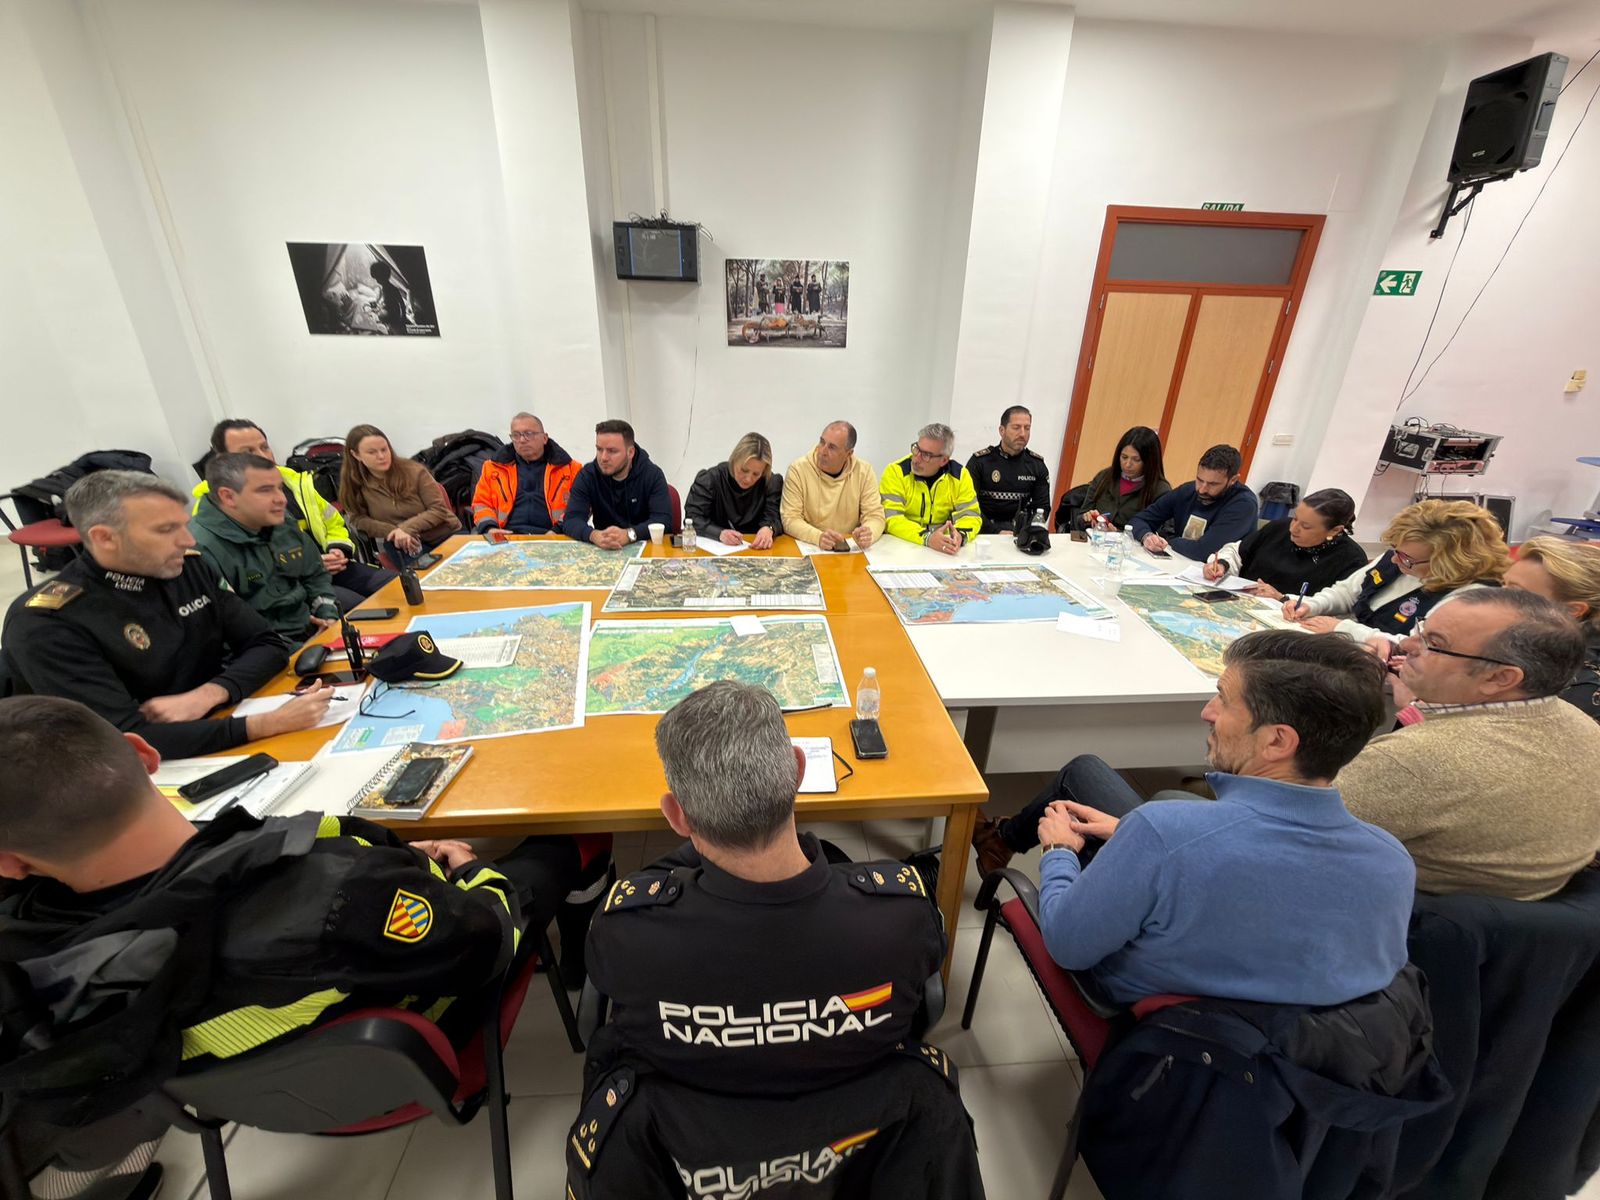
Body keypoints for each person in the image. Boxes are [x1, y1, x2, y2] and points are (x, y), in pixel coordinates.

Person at [0, 696, 536, 1200]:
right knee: (554, 851)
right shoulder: (341, 893)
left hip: (245, 1102)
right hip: (419, 1058)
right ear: (144, 754)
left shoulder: (26, 975)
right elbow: (486, 947)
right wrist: (469, 868)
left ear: (8, 862)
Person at [584, 681, 945, 1095]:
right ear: (797, 771)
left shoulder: (627, 932)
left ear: (677, 817)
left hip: (692, 1139)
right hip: (865, 1139)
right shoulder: (902, 916)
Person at [1030, 630, 1413, 1006]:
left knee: (1083, 781)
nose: (1207, 712)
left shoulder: (1163, 830)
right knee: (1088, 774)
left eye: (1224, 700)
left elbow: (1067, 946)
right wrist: (1131, 835)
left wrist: (1059, 850)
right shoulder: (1392, 862)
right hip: (1308, 1054)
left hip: (1156, 1032)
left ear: (1277, 741)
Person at [0, 471, 328, 759]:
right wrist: (265, 724)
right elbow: (122, 739)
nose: (187, 540)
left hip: (214, 723)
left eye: (183, 525)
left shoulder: (189, 567)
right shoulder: (48, 621)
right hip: (128, 767)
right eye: (166, 529)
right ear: (104, 538)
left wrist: (211, 693)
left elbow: (266, 643)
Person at [1338, 588, 1600, 901]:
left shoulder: (1417, 760)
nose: (1407, 645)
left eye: (1434, 644)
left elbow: (1285, 828)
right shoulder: (1582, 724)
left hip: (1406, 916)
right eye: (1421, 629)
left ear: (1500, 678)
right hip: (1512, 923)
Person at [192, 419, 394, 611]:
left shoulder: (295, 482)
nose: (262, 456)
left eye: (264, 447)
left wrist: (338, 550)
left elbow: (333, 521)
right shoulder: (214, 511)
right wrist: (308, 565)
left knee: (397, 587)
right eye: (248, 452)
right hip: (291, 585)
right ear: (223, 460)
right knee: (362, 609)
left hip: (333, 566)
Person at [1282, 498, 1509, 642]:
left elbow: (1415, 647)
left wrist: (1344, 628)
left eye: (1408, 559)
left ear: (1450, 563)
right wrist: (1312, 605)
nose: (1397, 561)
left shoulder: (1470, 597)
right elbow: (1347, 592)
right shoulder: (1401, 555)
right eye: (1395, 550)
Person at [188, 453, 341, 641]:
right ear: (228, 497)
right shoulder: (200, 548)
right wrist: (300, 650)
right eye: (266, 490)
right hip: (263, 650)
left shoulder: (279, 520)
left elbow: (314, 574)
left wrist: (328, 616)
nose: (282, 499)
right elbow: (228, 629)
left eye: (279, 488)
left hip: (310, 630)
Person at [1204, 487, 1367, 600]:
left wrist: (1282, 598)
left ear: (1334, 530)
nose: (1294, 529)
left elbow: (1338, 610)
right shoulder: (1279, 527)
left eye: (1306, 526)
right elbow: (1237, 552)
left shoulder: (1351, 559)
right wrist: (1222, 565)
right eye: (1295, 518)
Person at [1503, 536, 1600, 720]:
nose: (1495, 598)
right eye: (1503, 584)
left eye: (1516, 592)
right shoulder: (1529, 644)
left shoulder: (1583, 688)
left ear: (1573, 610)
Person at [336, 423, 461, 564]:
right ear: (356, 455)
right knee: (424, 578)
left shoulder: (415, 472)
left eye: (384, 449)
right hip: (401, 542)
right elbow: (357, 519)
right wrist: (393, 531)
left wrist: (406, 528)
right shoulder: (354, 483)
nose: (381, 456)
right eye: (372, 452)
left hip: (444, 534)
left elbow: (438, 510)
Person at [1130, 443, 1258, 559]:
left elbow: (1203, 551)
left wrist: (1169, 540)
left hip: (1217, 576)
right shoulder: (1188, 490)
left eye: (1212, 484)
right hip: (1179, 563)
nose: (1202, 489)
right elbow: (1139, 520)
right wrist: (1147, 536)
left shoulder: (1243, 505)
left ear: (1233, 480)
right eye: (1199, 480)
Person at [560, 419, 672, 549]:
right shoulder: (587, 476)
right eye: (599, 449)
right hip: (604, 549)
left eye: (612, 451)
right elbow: (571, 520)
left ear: (630, 452)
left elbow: (663, 520)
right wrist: (593, 535)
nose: (603, 458)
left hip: (645, 548)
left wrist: (629, 534)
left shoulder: (652, 475)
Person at [470, 412, 581, 536]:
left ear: (545, 438)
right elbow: (481, 504)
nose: (522, 440)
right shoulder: (492, 468)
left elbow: (581, 507)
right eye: (516, 435)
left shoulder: (571, 469)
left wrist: (558, 531)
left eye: (529, 434)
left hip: (555, 536)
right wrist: (490, 528)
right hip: (506, 536)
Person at [780, 421, 887, 550]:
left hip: (848, 549)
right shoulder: (798, 469)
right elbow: (790, 519)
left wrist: (868, 533)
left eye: (832, 447)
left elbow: (875, 516)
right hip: (809, 547)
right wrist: (818, 537)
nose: (822, 451)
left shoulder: (864, 472)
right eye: (822, 442)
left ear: (848, 454)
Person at [880, 423, 982, 553]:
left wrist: (960, 535)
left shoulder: (960, 475)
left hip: (942, 549)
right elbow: (892, 519)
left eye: (926, 455)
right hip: (903, 546)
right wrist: (926, 538)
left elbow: (971, 515)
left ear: (944, 460)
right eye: (917, 449)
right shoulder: (896, 472)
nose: (916, 459)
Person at [684, 432, 783, 549]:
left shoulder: (771, 483)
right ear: (734, 459)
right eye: (744, 470)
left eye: (756, 474)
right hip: (716, 549)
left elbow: (775, 516)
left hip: (755, 549)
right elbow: (693, 518)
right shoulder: (710, 479)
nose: (748, 479)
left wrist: (768, 528)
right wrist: (719, 533)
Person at [1064, 425, 1170, 533]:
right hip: (1095, 542)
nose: (1127, 464)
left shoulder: (1160, 491)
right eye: (1124, 457)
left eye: (1136, 460)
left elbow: (1163, 535)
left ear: (1149, 462)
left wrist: (1117, 535)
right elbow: (1079, 519)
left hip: (1130, 548)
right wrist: (1086, 519)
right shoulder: (1104, 477)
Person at [967, 405, 1051, 534]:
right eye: (1016, 428)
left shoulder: (1037, 465)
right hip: (984, 532)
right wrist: (996, 531)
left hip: (1020, 534)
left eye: (1027, 428)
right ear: (1002, 430)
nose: (1022, 434)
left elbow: (1043, 507)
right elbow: (968, 506)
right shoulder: (980, 462)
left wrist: (1027, 531)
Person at [369, 258, 409, 335]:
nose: (376, 280)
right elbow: (382, 299)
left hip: (394, 317)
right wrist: (377, 303)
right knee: (373, 315)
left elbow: (402, 304)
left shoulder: (392, 289)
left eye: (378, 278)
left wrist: (403, 317)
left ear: (384, 276)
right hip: (388, 314)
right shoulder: (382, 288)